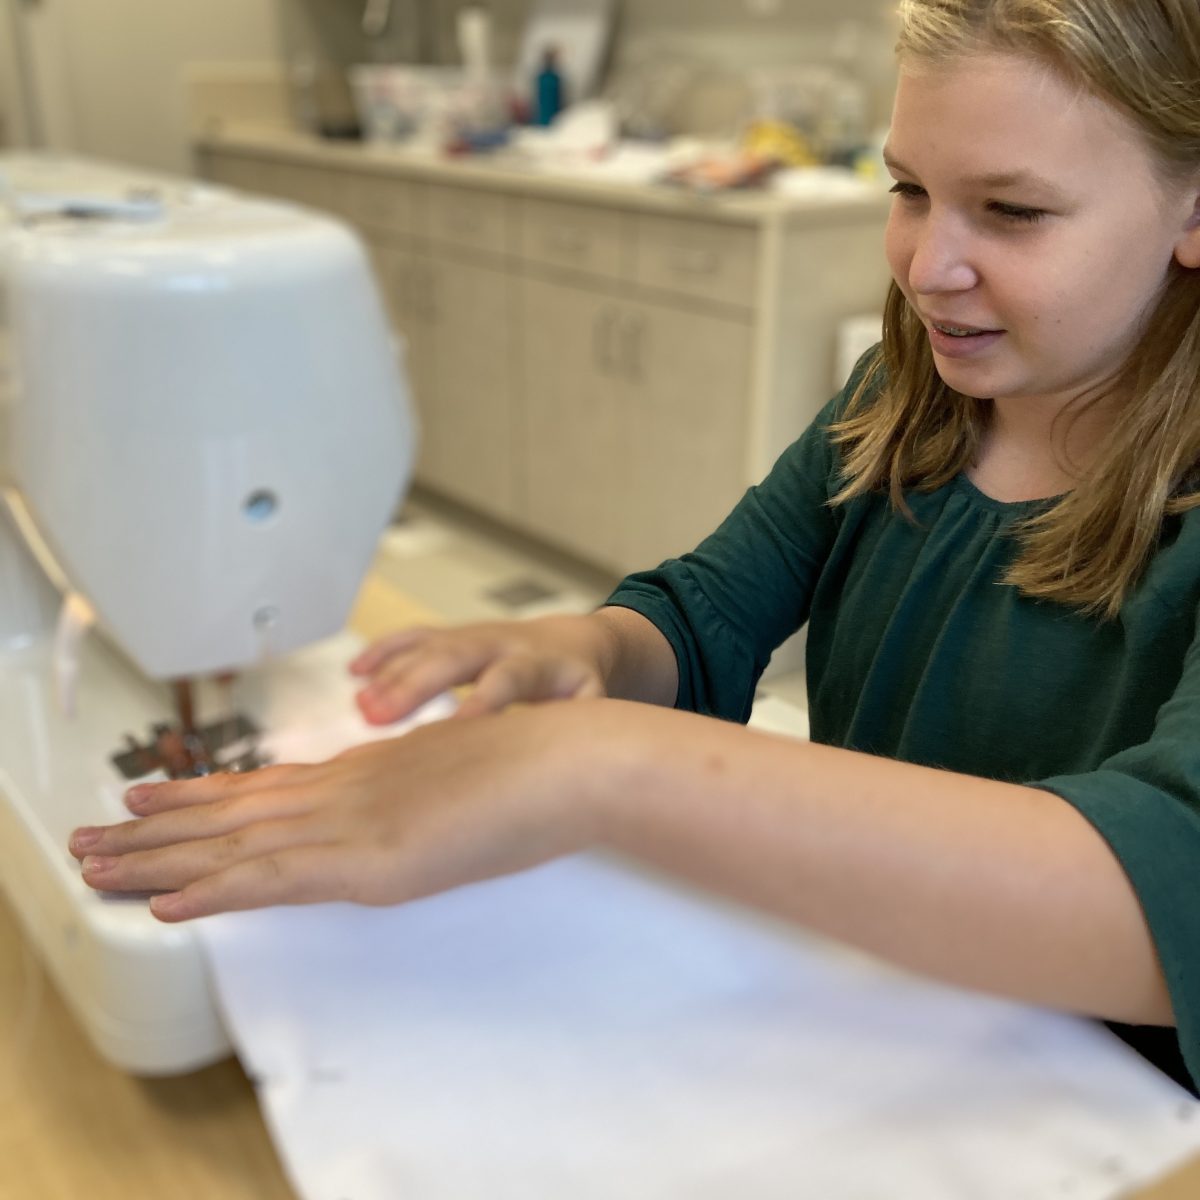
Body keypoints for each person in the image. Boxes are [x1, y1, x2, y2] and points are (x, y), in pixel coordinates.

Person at [70, 0, 1200, 1092]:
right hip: (889, 1021)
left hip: (1103, 1117)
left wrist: (599, 769)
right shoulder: (900, 404)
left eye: (1011, 212)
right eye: (909, 189)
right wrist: (594, 652)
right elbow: (708, 609)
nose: (925, 265)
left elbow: (1163, 885)